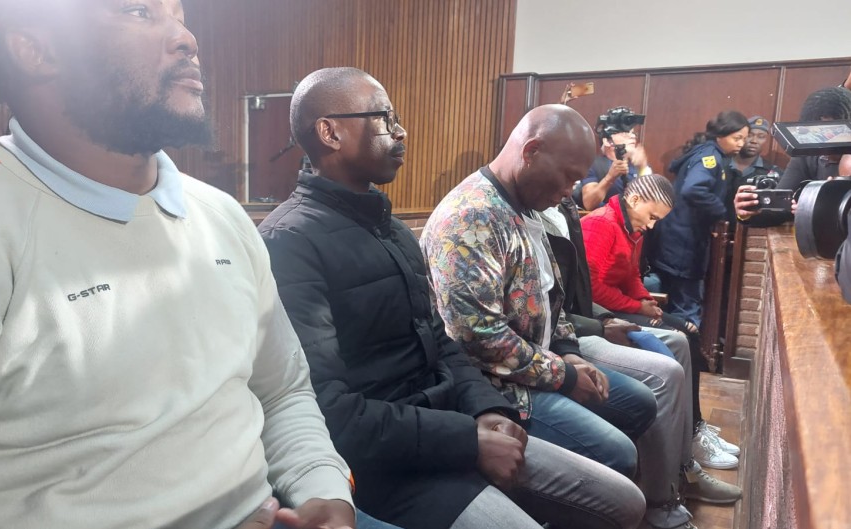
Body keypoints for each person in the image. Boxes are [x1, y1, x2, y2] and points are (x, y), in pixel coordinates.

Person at [0, 2, 378, 528]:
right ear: (36, 49)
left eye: (179, 15)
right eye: (139, 12)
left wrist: (323, 493)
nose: (186, 39)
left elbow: (283, 392)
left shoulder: (221, 215)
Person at [259, 67, 646, 529]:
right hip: (392, 468)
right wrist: (467, 440)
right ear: (330, 132)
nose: (401, 131)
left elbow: (441, 341)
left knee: (625, 501)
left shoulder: (392, 231)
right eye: (384, 119)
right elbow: (329, 410)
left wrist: (489, 410)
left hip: (454, 421)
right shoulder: (290, 243)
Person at [580, 176, 743, 473]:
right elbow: (589, 289)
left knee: (690, 331)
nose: (652, 225)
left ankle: (694, 425)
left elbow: (631, 275)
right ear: (635, 200)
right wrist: (637, 306)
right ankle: (691, 433)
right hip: (599, 312)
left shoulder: (632, 228)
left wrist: (645, 300)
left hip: (620, 304)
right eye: (652, 216)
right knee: (680, 336)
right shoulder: (601, 223)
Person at [648, 111, 749, 329]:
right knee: (686, 307)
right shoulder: (709, 158)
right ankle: (684, 345)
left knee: (677, 302)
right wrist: (722, 212)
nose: (741, 144)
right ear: (720, 135)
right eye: (737, 138)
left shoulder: (710, 154)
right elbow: (693, 189)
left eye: (744, 138)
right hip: (684, 241)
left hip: (678, 237)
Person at [734, 87, 851, 223]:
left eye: (833, 132)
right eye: (818, 134)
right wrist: (748, 211)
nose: (826, 140)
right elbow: (780, 209)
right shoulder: (806, 155)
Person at [575, 106, 652, 211]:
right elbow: (589, 203)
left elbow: (651, 199)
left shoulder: (637, 165)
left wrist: (643, 167)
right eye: (625, 133)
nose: (632, 136)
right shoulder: (594, 164)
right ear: (607, 141)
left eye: (633, 133)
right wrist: (610, 177)